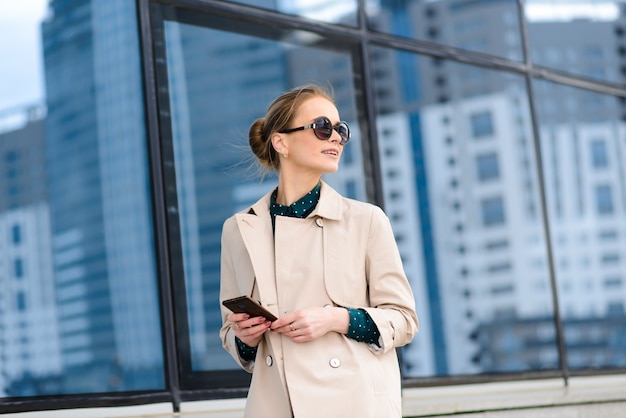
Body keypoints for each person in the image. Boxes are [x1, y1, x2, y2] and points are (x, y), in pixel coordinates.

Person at [219, 84, 418, 418]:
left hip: (354, 403)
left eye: (341, 130)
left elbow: (404, 320)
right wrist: (245, 337)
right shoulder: (239, 230)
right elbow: (230, 333)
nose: (336, 138)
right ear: (281, 142)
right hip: (275, 405)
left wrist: (335, 318)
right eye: (323, 128)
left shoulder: (366, 220)